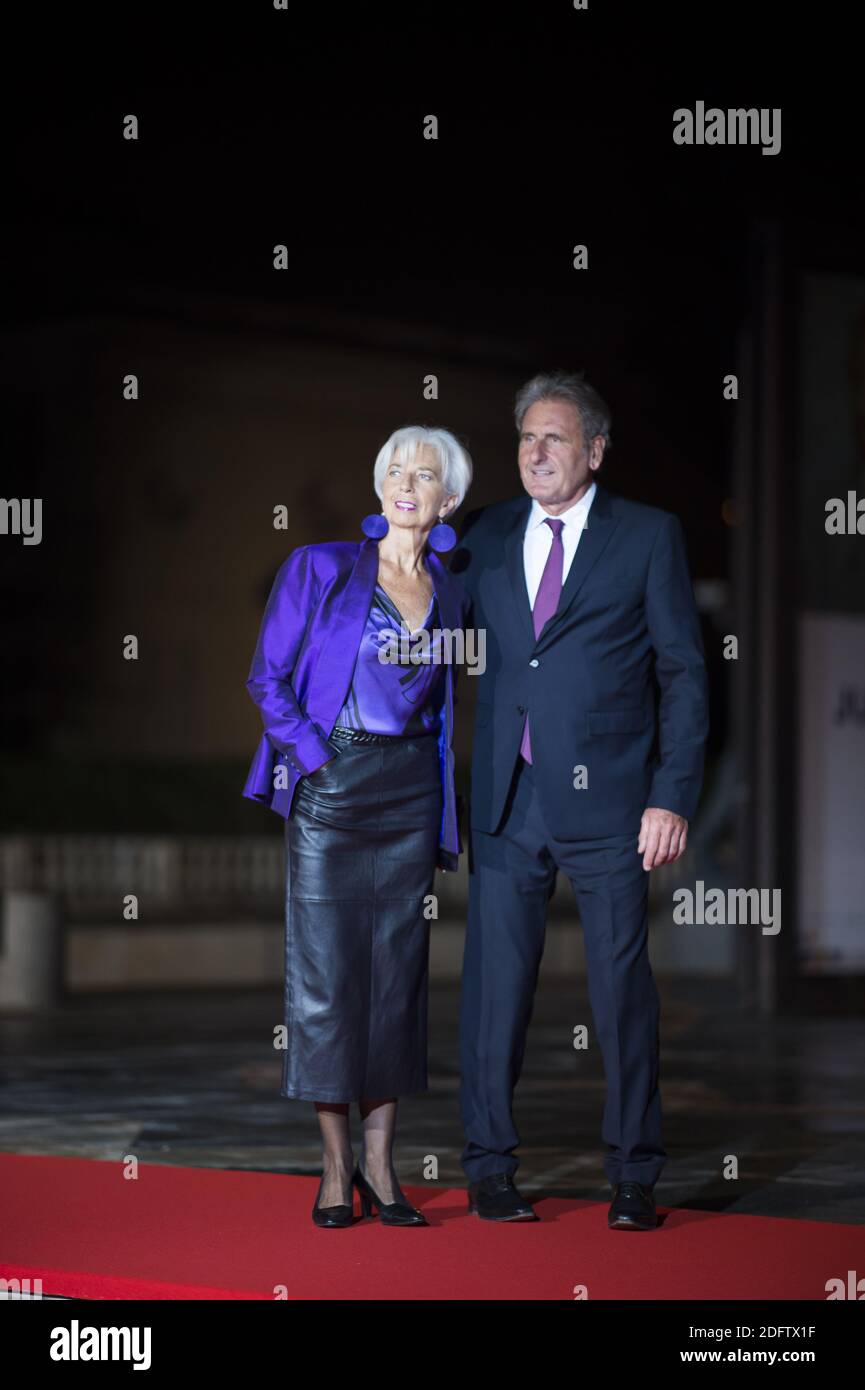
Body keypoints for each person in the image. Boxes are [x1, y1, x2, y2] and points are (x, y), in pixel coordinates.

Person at [451, 370, 709, 1229]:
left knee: (620, 997)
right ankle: (488, 1169)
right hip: (506, 801)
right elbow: (418, 602)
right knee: (494, 996)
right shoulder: (483, 533)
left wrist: (671, 796)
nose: (536, 452)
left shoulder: (646, 536)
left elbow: (682, 673)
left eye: (555, 437)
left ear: (594, 450)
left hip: (613, 807)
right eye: (526, 436)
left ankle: (633, 1175)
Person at [243, 425, 472, 1227]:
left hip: (408, 795)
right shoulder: (320, 567)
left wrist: (445, 810)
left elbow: (443, 714)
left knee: (395, 981)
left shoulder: (451, 590)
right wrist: (314, 760)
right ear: (380, 487)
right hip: (332, 790)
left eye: (426, 475)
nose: (407, 483)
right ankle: (335, 1170)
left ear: (449, 501)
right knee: (326, 983)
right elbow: (266, 678)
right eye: (396, 470)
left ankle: (382, 1166)